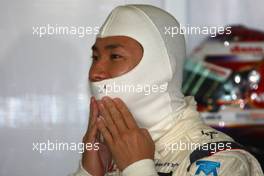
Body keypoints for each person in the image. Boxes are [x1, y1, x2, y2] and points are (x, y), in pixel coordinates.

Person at [72, 4, 264, 176]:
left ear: (163, 67)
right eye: (95, 57)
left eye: (114, 56)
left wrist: (137, 169)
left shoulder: (222, 161)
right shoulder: (107, 154)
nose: (95, 72)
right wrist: (88, 173)